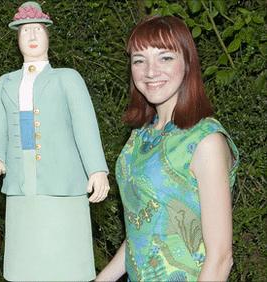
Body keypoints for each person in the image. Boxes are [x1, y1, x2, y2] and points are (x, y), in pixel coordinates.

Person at [96, 16, 239, 281]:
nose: (150, 71)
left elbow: (221, 257)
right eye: (139, 60)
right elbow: (142, 231)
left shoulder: (205, 141)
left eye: (165, 58)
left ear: (187, 64)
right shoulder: (138, 138)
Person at [0, 1, 110, 281]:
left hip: (64, 180)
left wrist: (97, 169)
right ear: (17, 39)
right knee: (26, 256)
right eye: (25, 30)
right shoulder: (4, 83)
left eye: (37, 29)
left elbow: (85, 125)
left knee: (67, 256)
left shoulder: (68, 79)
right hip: (20, 181)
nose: (32, 36)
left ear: (48, 35)